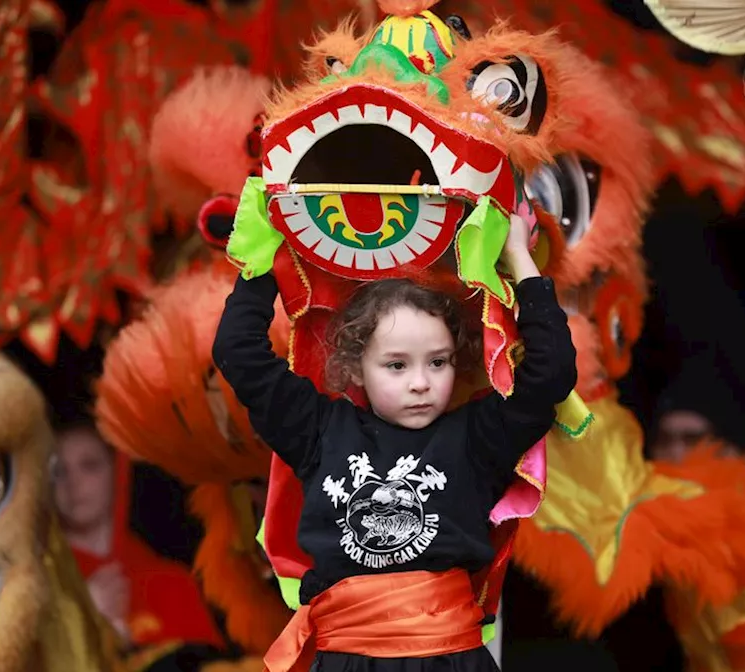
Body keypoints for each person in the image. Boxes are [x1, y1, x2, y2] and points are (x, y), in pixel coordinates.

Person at [211, 212, 577, 671]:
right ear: (355, 366)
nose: (421, 383)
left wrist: (520, 258)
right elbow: (237, 353)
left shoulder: (477, 438)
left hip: (449, 661)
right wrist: (264, 250)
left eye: (438, 362)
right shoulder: (319, 431)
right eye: (397, 365)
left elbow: (551, 374)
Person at [53, 423, 225, 651]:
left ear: (118, 473)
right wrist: (79, 615)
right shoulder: (38, 582)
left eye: (90, 465)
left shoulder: (171, 583)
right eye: (59, 471)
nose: (73, 482)